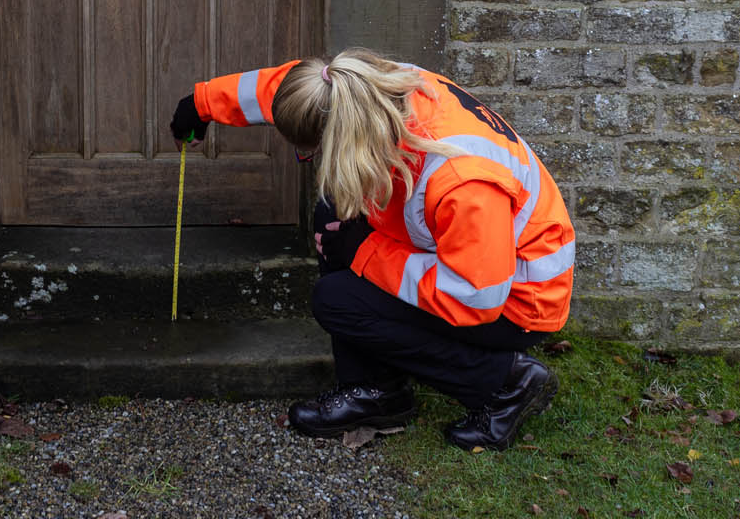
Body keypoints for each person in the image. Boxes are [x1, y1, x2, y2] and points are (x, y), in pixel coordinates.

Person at [170, 49, 575, 452]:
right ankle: (375, 390)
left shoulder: (461, 182)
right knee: (335, 212)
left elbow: (473, 296)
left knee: (338, 299)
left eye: (311, 151)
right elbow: (295, 86)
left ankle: (503, 381)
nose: (309, 159)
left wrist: (364, 252)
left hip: (515, 301)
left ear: (345, 133)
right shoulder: (365, 85)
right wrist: (202, 105)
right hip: (472, 262)